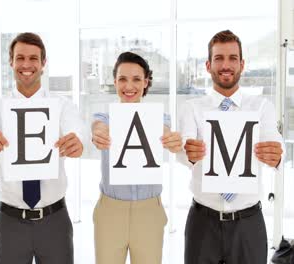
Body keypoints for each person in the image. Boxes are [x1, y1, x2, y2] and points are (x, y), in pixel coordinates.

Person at [0, 32, 85, 264]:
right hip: (10, 221)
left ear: (43, 63)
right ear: (11, 62)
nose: (26, 65)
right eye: (20, 58)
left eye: (34, 58)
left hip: (54, 220)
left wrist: (77, 140)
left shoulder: (62, 106)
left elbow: (76, 127)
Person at [178, 30, 284, 264]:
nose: (226, 65)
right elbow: (181, 153)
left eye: (232, 58)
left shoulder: (261, 107)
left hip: (249, 223)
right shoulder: (192, 108)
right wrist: (188, 153)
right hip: (202, 222)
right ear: (208, 65)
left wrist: (277, 154)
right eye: (219, 58)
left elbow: (275, 140)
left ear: (242, 64)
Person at [91, 51, 182, 264]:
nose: (129, 86)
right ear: (114, 82)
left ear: (146, 82)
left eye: (136, 79)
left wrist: (169, 138)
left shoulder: (161, 117)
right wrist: (100, 133)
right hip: (110, 212)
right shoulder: (103, 116)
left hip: (149, 212)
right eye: (122, 79)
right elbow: (98, 127)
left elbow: (164, 129)